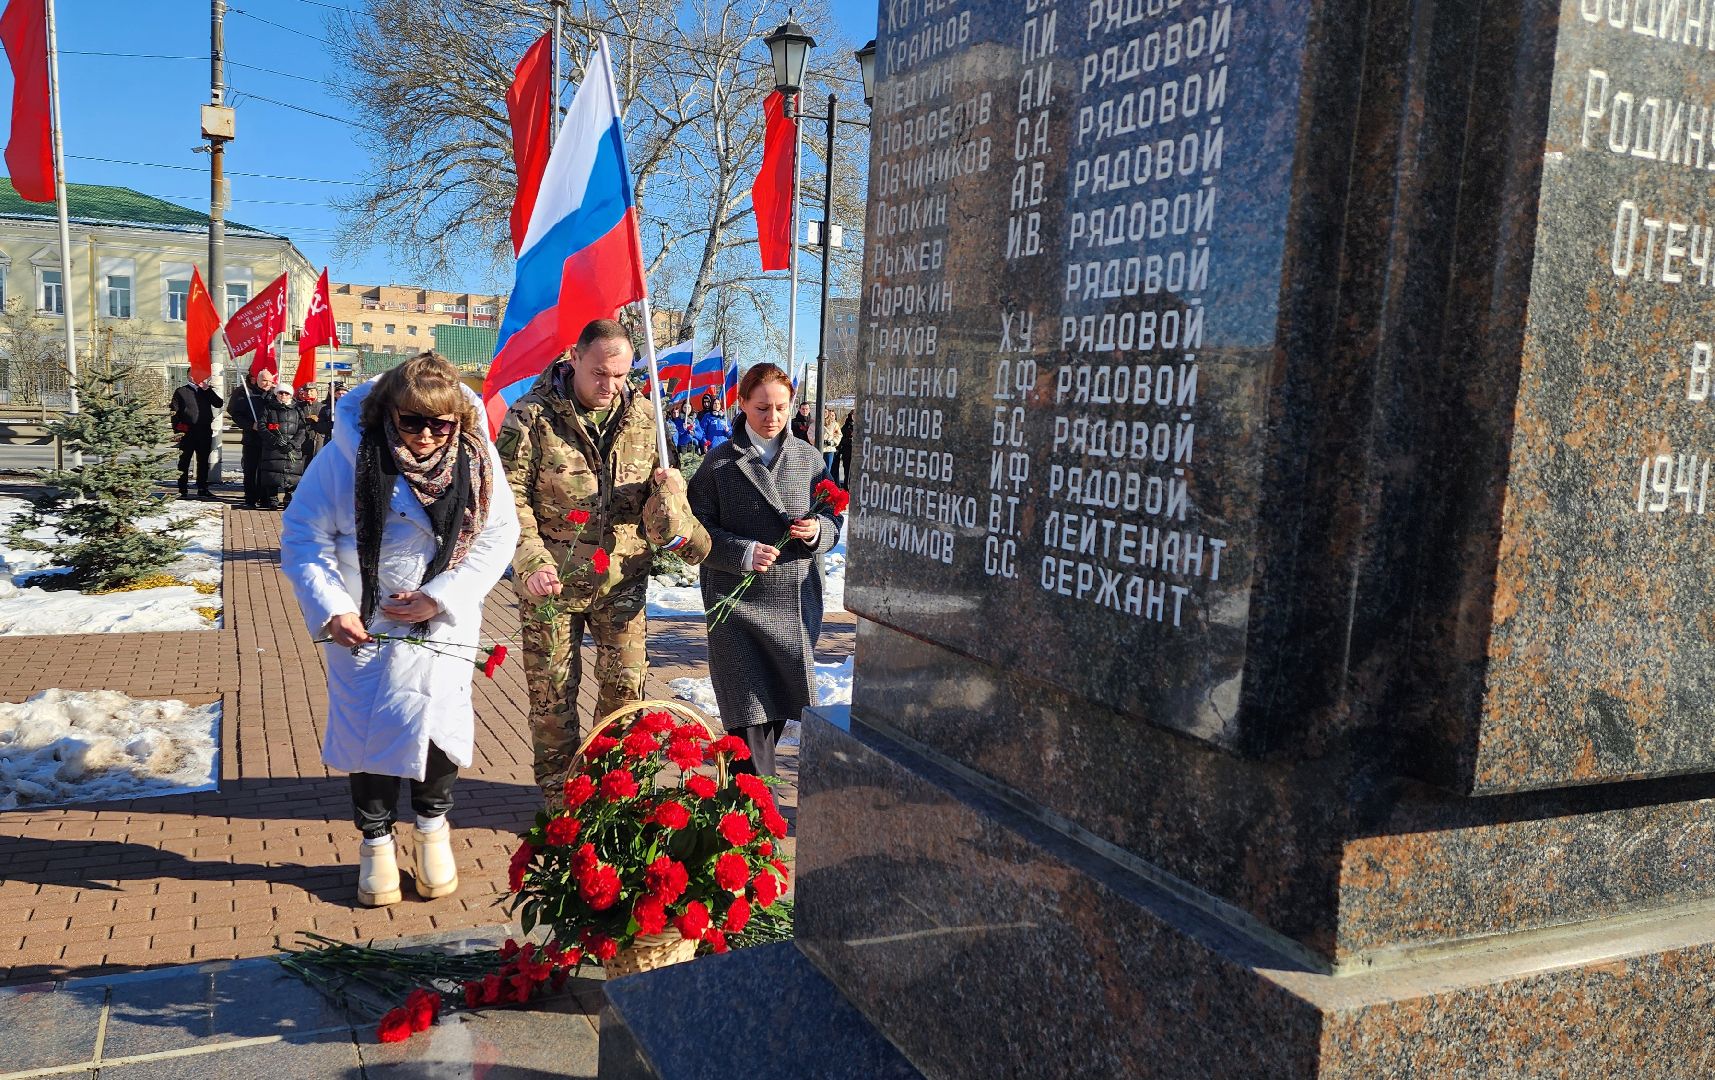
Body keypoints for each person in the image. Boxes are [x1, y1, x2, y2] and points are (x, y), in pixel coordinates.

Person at [280, 352, 519, 908]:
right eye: (412, 422)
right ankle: (376, 843)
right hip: (366, 623)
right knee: (369, 736)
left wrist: (441, 597)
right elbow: (303, 535)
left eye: (441, 425)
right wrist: (333, 608)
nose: (427, 437)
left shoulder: (477, 459)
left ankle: (433, 830)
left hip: (440, 623)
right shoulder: (348, 456)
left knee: (439, 727)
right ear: (389, 413)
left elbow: (495, 536)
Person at [497, 319, 711, 805]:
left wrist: (669, 497)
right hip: (552, 582)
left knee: (625, 693)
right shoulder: (531, 418)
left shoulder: (644, 417)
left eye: (619, 375)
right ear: (573, 357)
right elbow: (508, 499)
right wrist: (529, 560)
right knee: (552, 700)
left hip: (621, 582)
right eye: (598, 373)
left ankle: (610, 796)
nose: (610, 387)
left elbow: (663, 515)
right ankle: (561, 804)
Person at [687, 363, 844, 777]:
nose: (772, 418)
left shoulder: (808, 458)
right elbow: (694, 528)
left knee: (773, 715)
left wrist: (817, 531)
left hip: (792, 605)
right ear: (740, 404)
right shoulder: (719, 463)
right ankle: (754, 824)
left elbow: (832, 517)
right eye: (761, 408)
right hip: (736, 608)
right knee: (748, 720)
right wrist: (740, 552)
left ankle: (738, 817)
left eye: (780, 408)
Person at [226, 368, 277, 508]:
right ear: (257, 379)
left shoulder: (275, 395)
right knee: (250, 469)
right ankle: (250, 498)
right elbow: (236, 414)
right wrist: (250, 425)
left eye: (270, 381)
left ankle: (265, 498)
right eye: (264, 380)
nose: (267, 383)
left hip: (269, 440)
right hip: (252, 438)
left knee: (266, 470)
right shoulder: (246, 394)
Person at [170, 374, 223, 499]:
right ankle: (182, 489)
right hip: (187, 432)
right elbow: (174, 412)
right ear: (188, 376)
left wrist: (207, 389)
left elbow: (218, 403)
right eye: (193, 374)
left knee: (203, 461)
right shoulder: (181, 391)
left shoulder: (205, 390)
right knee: (184, 461)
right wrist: (177, 431)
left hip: (204, 431)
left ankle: (202, 487)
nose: (197, 377)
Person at [255, 385, 307, 510]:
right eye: (281, 393)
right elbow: (262, 426)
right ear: (276, 394)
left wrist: (293, 444)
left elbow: (302, 429)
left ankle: (289, 498)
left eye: (286, 394)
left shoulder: (297, 410)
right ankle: (272, 499)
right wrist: (275, 440)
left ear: (291, 395)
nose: (283, 396)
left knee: (292, 476)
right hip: (273, 449)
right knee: (272, 476)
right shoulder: (268, 408)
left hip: (292, 450)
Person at [298, 385, 326, 464]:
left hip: (317, 439)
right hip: (302, 439)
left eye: (311, 391)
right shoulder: (298, 406)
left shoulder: (323, 407)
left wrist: (318, 420)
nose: (308, 393)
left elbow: (327, 424)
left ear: (317, 393)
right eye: (306, 391)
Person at [835, 411, 853, 489]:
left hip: (857, 454)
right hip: (847, 451)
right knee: (847, 471)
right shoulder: (846, 426)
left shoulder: (861, 426)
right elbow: (841, 440)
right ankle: (846, 487)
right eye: (853, 415)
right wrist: (850, 439)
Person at [820, 407, 840, 475]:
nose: (824, 414)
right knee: (817, 469)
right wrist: (817, 441)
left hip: (829, 449)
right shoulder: (816, 422)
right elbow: (810, 433)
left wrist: (833, 442)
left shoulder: (834, 424)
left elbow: (838, 435)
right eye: (823, 412)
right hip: (819, 448)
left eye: (826, 412)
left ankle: (826, 484)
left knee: (827, 470)